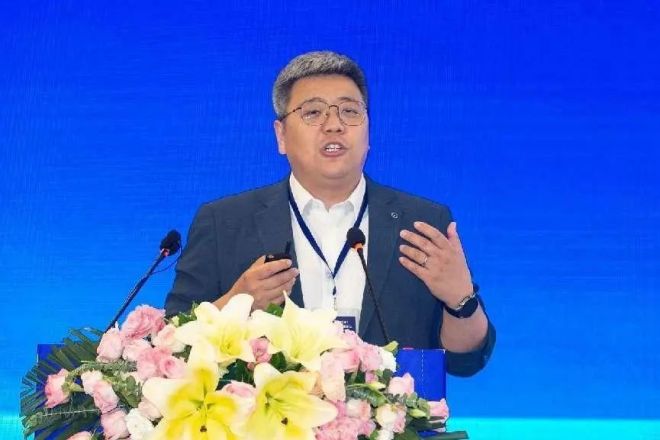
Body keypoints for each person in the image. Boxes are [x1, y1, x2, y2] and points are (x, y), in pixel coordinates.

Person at [165, 51, 495, 377]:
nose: (334, 125)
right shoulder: (224, 222)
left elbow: (465, 360)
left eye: (350, 111)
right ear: (281, 135)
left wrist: (461, 299)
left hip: (395, 413)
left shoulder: (421, 223)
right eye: (313, 112)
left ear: (368, 131)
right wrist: (236, 304)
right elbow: (171, 346)